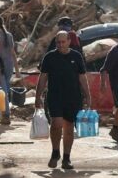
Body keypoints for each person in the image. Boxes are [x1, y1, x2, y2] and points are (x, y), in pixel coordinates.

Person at [35, 31, 90, 170]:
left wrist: (88, 96)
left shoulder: (76, 57)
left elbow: (82, 78)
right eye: (58, 42)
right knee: (56, 123)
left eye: (63, 42)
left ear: (69, 42)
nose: (60, 45)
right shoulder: (50, 57)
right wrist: (37, 96)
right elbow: (43, 78)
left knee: (69, 127)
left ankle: (66, 158)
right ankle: (55, 152)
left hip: (73, 97)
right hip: (55, 96)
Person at [0, 15, 20, 125]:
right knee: (5, 89)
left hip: (1, 65)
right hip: (9, 65)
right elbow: (13, 53)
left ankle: (6, 115)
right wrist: (17, 70)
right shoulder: (8, 35)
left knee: (2, 89)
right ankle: (3, 113)